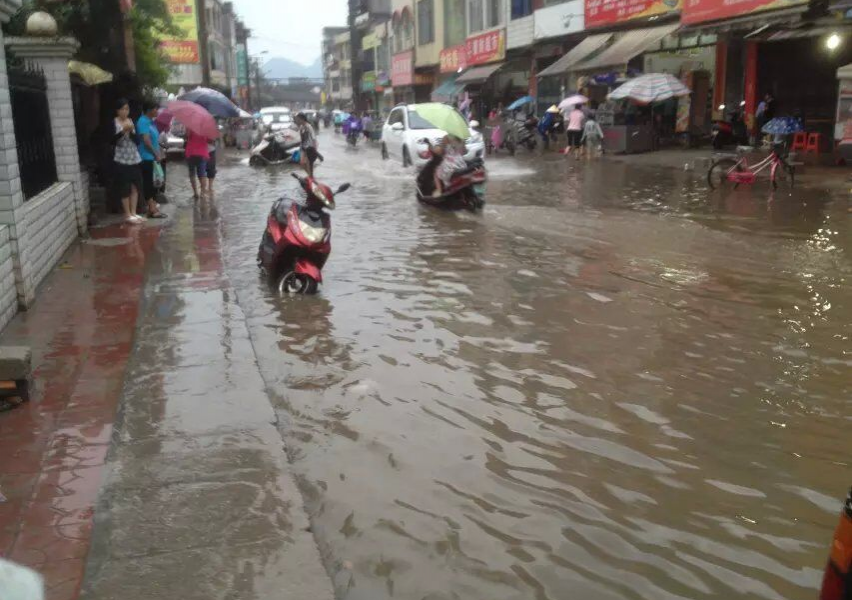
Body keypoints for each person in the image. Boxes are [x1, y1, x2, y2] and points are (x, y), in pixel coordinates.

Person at [112, 98, 144, 224]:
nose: (125, 111)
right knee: (124, 187)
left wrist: (131, 131)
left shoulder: (131, 121)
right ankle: (127, 214)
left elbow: (137, 141)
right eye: (122, 109)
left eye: (127, 109)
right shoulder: (114, 123)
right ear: (117, 110)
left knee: (135, 187)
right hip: (121, 159)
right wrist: (123, 131)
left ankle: (134, 212)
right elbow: (113, 141)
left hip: (134, 158)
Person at [136, 100, 166, 219]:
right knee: (148, 182)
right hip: (146, 157)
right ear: (148, 110)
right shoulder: (143, 121)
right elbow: (146, 141)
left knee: (154, 182)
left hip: (153, 157)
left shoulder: (151, 122)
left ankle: (152, 207)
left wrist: (159, 151)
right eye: (155, 108)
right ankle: (152, 209)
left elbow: (153, 140)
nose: (157, 111)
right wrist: (155, 153)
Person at [295, 112, 323, 177]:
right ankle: (310, 175)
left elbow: (314, 138)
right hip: (303, 147)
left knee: (309, 163)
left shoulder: (309, 127)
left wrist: (315, 149)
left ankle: (311, 176)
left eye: (298, 119)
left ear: (302, 119)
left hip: (310, 147)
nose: (297, 120)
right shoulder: (301, 127)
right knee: (302, 163)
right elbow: (300, 137)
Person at [185, 129, 210, 199]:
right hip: (202, 153)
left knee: (192, 173)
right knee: (202, 174)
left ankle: (195, 193)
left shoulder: (190, 126)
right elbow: (210, 140)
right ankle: (202, 193)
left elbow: (187, 136)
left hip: (191, 152)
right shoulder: (206, 128)